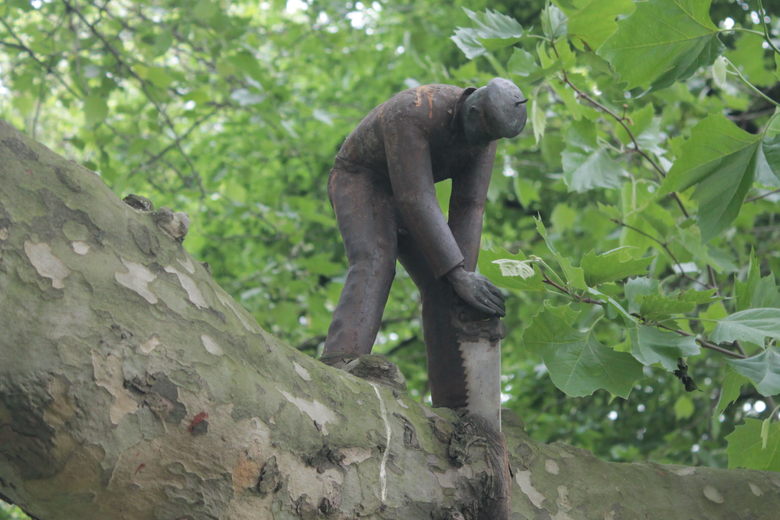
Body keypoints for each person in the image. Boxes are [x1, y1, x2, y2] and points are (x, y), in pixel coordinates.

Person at [321, 78, 527, 409]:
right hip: (363, 179)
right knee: (376, 260)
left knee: (445, 285)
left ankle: (456, 404)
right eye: (484, 133)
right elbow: (415, 197)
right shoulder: (416, 109)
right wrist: (458, 271)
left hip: (411, 193)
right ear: (473, 110)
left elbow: (469, 207)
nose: (484, 143)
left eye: (493, 138)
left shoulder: (485, 138)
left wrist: (462, 281)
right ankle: (341, 365)